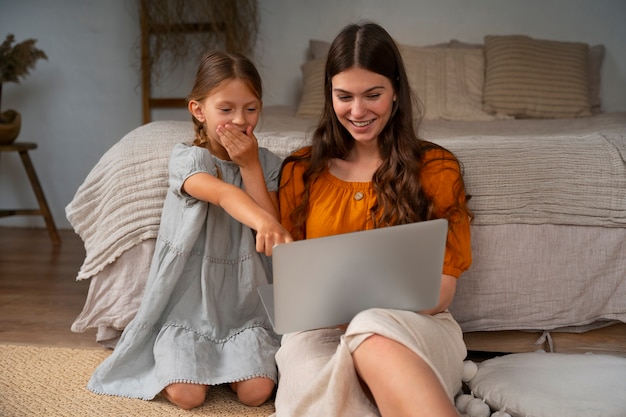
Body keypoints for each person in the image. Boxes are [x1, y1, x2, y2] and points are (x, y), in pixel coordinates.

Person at [274, 22, 472, 417]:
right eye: (344, 96)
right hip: (319, 333)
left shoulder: (436, 168)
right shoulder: (300, 170)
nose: (358, 111)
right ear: (328, 94)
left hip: (415, 326)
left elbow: (441, 291)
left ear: (396, 91)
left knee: (372, 332)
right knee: (323, 397)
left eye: (373, 95)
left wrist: (365, 316)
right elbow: (291, 278)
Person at [88, 51, 293, 410]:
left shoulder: (267, 164)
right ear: (199, 110)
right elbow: (225, 195)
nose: (240, 121)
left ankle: (231, 359)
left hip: (243, 305)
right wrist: (264, 220)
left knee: (257, 392)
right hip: (189, 305)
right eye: (225, 109)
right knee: (187, 396)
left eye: (251, 109)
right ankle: (190, 355)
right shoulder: (188, 159)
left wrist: (249, 166)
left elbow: (270, 235)